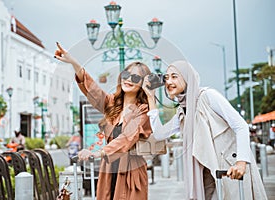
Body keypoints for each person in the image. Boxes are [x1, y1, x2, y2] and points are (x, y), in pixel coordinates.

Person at [142, 60, 267, 199]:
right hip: (207, 175)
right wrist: (150, 97)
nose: (169, 81)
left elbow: (240, 125)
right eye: (166, 77)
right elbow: (159, 134)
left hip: (229, 169)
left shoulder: (208, 96)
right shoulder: (183, 111)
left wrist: (241, 163)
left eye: (174, 76)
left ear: (187, 78)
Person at [54, 42, 152, 200]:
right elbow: (92, 90)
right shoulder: (113, 103)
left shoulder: (143, 110)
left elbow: (126, 138)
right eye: (127, 75)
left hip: (130, 171)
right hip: (109, 168)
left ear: (143, 84)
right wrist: (74, 62)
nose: (129, 80)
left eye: (136, 77)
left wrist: (97, 153)